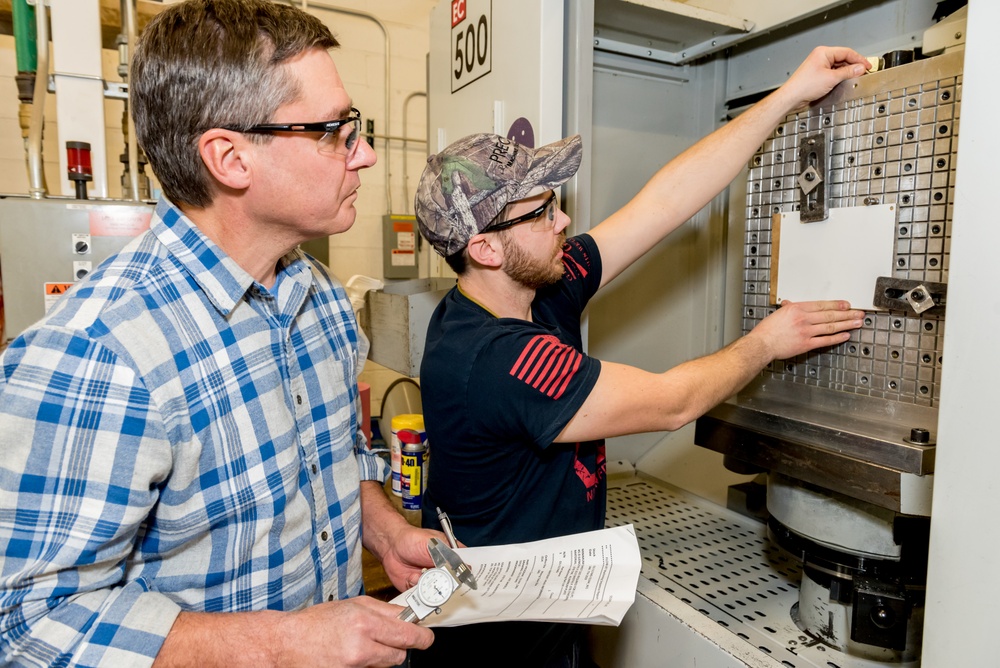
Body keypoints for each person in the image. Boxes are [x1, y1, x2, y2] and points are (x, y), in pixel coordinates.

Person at [0, 1, 439, 666]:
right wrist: (286, 643)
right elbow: (26, 624)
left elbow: (336, 459)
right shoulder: (98, 353)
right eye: (334, 131)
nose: (366, 155)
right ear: (230, 158)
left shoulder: (318, 300)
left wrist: (383, 531)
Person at [411, 46, 871, 667]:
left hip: (552, 619)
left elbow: (663, 204)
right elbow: (672, 403)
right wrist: (768, 340)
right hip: (503, 648)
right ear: (486, 248)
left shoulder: (528, 292)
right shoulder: (494, 358)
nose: (563, 219)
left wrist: (789, 94)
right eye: (541, 211)